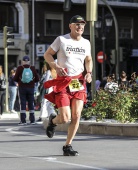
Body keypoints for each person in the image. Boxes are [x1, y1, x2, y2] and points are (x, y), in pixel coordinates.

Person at [43, 15, 93, 156]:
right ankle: (53, 121)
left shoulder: (86, 43)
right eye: (77, 24)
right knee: (65, 118)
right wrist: (56, 66)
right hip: (63, 81)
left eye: (82, 25)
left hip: (78, 81)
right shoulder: (61, 40)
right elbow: (47, 55)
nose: (80, 27)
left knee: (76, 116)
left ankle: (68, 146)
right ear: (70, 26)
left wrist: (89, 72)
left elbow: (88, 59)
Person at [13, 56, 39, 125]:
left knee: (23, 104)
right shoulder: (32, 68)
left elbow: (15, 79)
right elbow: (37, 79)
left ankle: (23, 120)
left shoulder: (19, 68)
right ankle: (32, 120)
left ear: (22, 61)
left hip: (22, 88)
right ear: (29, 61)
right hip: (31, 88)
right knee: (31, 103)